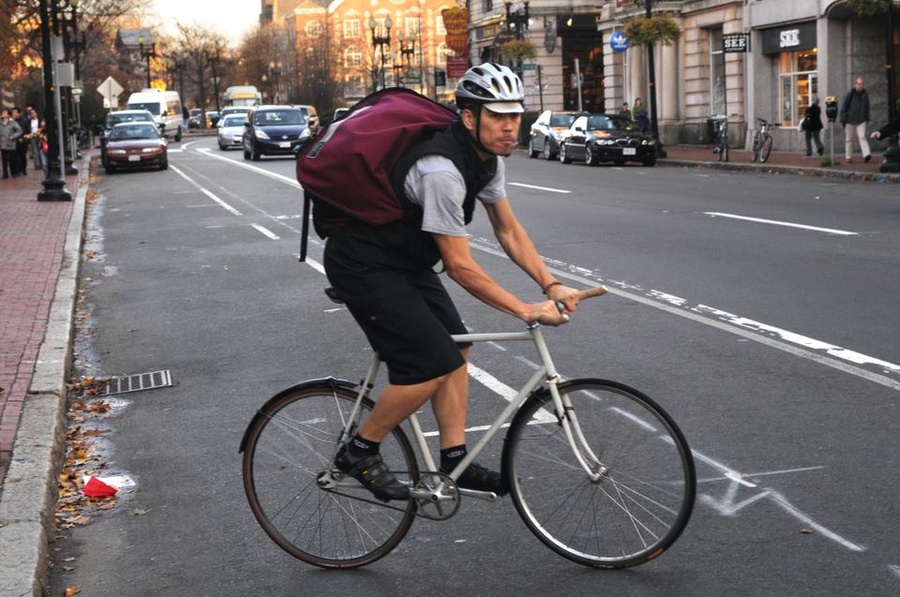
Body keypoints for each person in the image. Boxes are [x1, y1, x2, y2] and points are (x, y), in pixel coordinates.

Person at [325, 63, 581, 502]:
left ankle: (453, 462)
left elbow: (508, 229)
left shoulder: (488, 160)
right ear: (468, 117)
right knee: (429, 364)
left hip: (406, 259)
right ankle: (360, 451)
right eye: (497, 116)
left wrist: (550, 284)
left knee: (457, 347)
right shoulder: (440, 171)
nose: (509, 126)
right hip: (363, 262)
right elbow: (460, 267)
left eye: (514, 115)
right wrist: (525, 310)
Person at [839, 77, 872, 163]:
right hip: (850, 120)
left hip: (861, 119)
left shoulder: (865, 95)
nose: (861, 86)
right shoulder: (850, 94)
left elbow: (867, 107)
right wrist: (843, 119)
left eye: (862, 84)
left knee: (862, 136)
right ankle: (848, 156)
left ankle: (866, 155)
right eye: (859, 84)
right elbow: (845, 106)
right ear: (856, 84)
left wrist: (867, 118)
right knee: (849, 139)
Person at [1, 108, 23, 179]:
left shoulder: (12, 122)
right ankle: (5, 174)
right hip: (2, 144)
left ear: (8, 115)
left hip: (10, 144)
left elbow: (19, 131)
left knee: (12, 159)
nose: (3, 114)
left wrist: (13, 136)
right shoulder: (0, 123)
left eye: (5, 113)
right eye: (3, 113)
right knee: (4, 160)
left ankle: (13, 172)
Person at [12, 107, 30, 175]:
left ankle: (23, 169)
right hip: (14, 142)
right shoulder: (11, 122)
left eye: (15, 112)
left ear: (19, 113)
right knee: (15, 157)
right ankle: (17, 170)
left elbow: (27, 131)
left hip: (23, 142)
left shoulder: (24, 121)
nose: (14, 114)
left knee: (22, 156)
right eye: (13, 112)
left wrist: (24, 138)